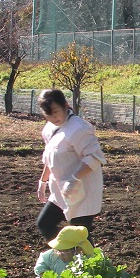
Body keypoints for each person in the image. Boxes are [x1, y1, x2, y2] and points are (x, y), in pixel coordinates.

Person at [36, 89, 105, 242]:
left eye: (55, 111)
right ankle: (66, 255)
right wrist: (43, 181)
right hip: (61, 191)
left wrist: (74, 178)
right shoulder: (49, 128)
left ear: (66, 106)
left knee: (79, 237)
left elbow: (95, 157)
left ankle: (91, 264)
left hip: (83, 192)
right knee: (45, 224)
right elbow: (50, 156)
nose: (53, 117)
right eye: (48, 114)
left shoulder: (79, 128)